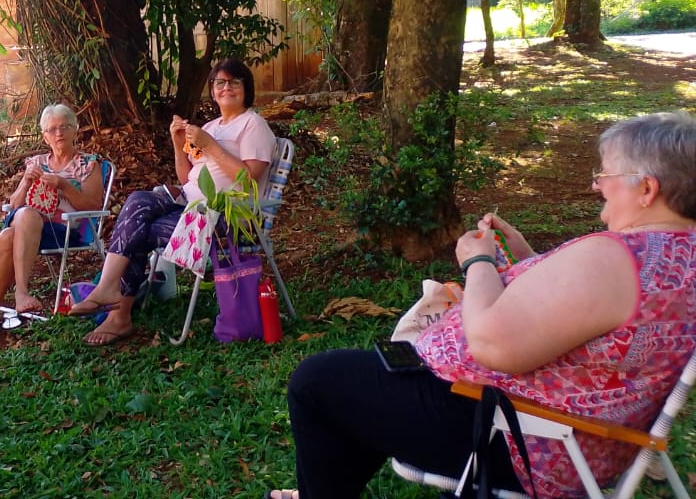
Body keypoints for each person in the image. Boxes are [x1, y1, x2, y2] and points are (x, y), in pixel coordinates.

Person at [270, 111, 696, 499]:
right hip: (589, 445)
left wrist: (478, 263)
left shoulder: (616, 258)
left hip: (523, 439)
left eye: (605, 174)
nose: (596, 185)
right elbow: (591, 319)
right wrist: (529, 261)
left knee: (318, 380)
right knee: (369, 385)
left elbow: (494, 347)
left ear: (646, 188)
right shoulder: (678, 258)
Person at [69, 59, 277, 345]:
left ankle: (117, 311)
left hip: (222, 221)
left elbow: (249, 180)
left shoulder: (253, 124)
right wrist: (179, 144)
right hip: (189, 208)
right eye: (220, 82)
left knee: (137, 229)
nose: (226, 87)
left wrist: (209, 146)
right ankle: (109, 292)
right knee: (139, 200)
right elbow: (188, 178)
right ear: (213, 91)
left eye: (234, 82)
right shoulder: (212, 126)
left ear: (246, 89)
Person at [0, 104, 105, 335]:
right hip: (30, 228)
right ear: (45, 137)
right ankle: (14, 297)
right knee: (20, 218)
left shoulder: (88, 164)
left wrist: (64, 185)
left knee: (10, 232)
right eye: (52, 129)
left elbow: (94, 205)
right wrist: (25, 182)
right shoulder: (36, 163)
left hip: (65, 231)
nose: (59, 133)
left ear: (75, 130)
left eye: (64, 127)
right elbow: (13, 206)